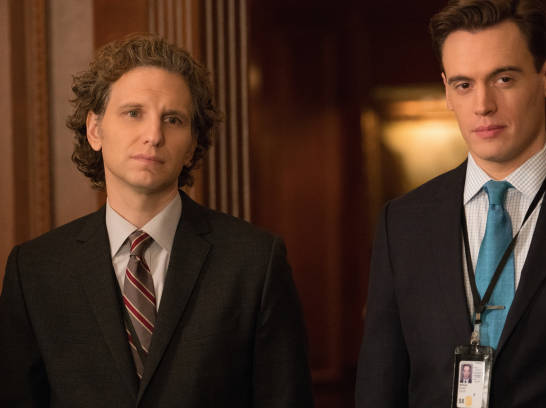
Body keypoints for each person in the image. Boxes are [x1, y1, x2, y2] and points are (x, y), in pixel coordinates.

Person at [0, 34, 313, 407]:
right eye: (134, 113)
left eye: (173, 119)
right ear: (95, 130)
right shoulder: (35, 270)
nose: (153, 135)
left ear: (192, 144)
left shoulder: (255, 262)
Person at [356, 0, 546, 406]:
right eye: (464, 85)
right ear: (447, 91)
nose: (483, 105)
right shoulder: (402, 222)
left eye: (503, 79)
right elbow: (379, 386)